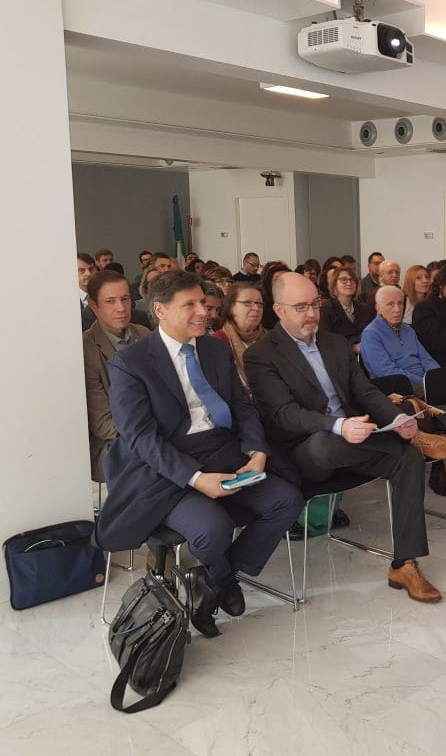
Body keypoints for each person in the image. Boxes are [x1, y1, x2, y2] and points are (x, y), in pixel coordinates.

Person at [96, 270, 304, 638]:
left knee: (286, 501)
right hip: (167, 467)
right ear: (160, 310)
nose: (202, 312)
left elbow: (243, 407)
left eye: (203, 304)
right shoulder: (131, 363)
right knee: (212, 530)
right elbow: (142, 438)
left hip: (222, 451)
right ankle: (222, 579)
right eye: (189, 305)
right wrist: (195, 478)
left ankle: (210, 581)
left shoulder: (214, 349)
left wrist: (256, 450)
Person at [244, 273, 443, 603]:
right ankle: (410, 438)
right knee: (325, 444)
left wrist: (395, 418)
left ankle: (404, 564)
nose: (312, 314)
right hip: (306, 450)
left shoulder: (334, 342)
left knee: (408, 459)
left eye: (315, 304)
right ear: (278, 310)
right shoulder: (261, 354)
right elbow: (283, 414)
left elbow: (364, 390)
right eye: (301, 307)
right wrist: (338, 425)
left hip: (356, 442)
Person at [360, 285, 446, 497]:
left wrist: (436, 378)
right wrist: (424, 382)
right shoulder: (371, 334)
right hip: (396, 390)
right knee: (424, 407)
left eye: (400, 303)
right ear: (378, 308)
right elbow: (385, 371)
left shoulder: (408, 330)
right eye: (390, 304)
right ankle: (439, 466)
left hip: (422, 383)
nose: (397, 309)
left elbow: (426, 359)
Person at [82, 270, 151, 482]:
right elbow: (103, 424)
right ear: (94, 305)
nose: (121, 308)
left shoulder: (145, 335)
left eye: (125, 299)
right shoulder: (86, 348)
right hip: (115, 443)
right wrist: (152, 434)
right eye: (110, 301)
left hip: (157, 430)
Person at [212, 283, 266, 397]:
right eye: (247, 303)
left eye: (260, 303)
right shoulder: (216, 342)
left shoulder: (270, 338)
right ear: (231, 307)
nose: (256, 308)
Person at [319, 264, 375, 352]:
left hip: (365, 354)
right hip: (339, 356)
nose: (349, 283)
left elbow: (372, 333)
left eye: (352, 280)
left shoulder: (364, 308)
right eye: (343, 280)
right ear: (334, 284)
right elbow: (325, 341)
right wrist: (353, 347)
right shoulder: (326, 309)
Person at [260, 262, 291, 329]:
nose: (281, 283)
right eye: (276, 279)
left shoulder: (294, 301)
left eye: (285, 279)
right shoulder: (263, 304)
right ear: (269, 282)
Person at [78, 253, 98, 329]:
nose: (88, 274)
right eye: (81, 270)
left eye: (91, 269)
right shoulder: (65, 299)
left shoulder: (106, 293)